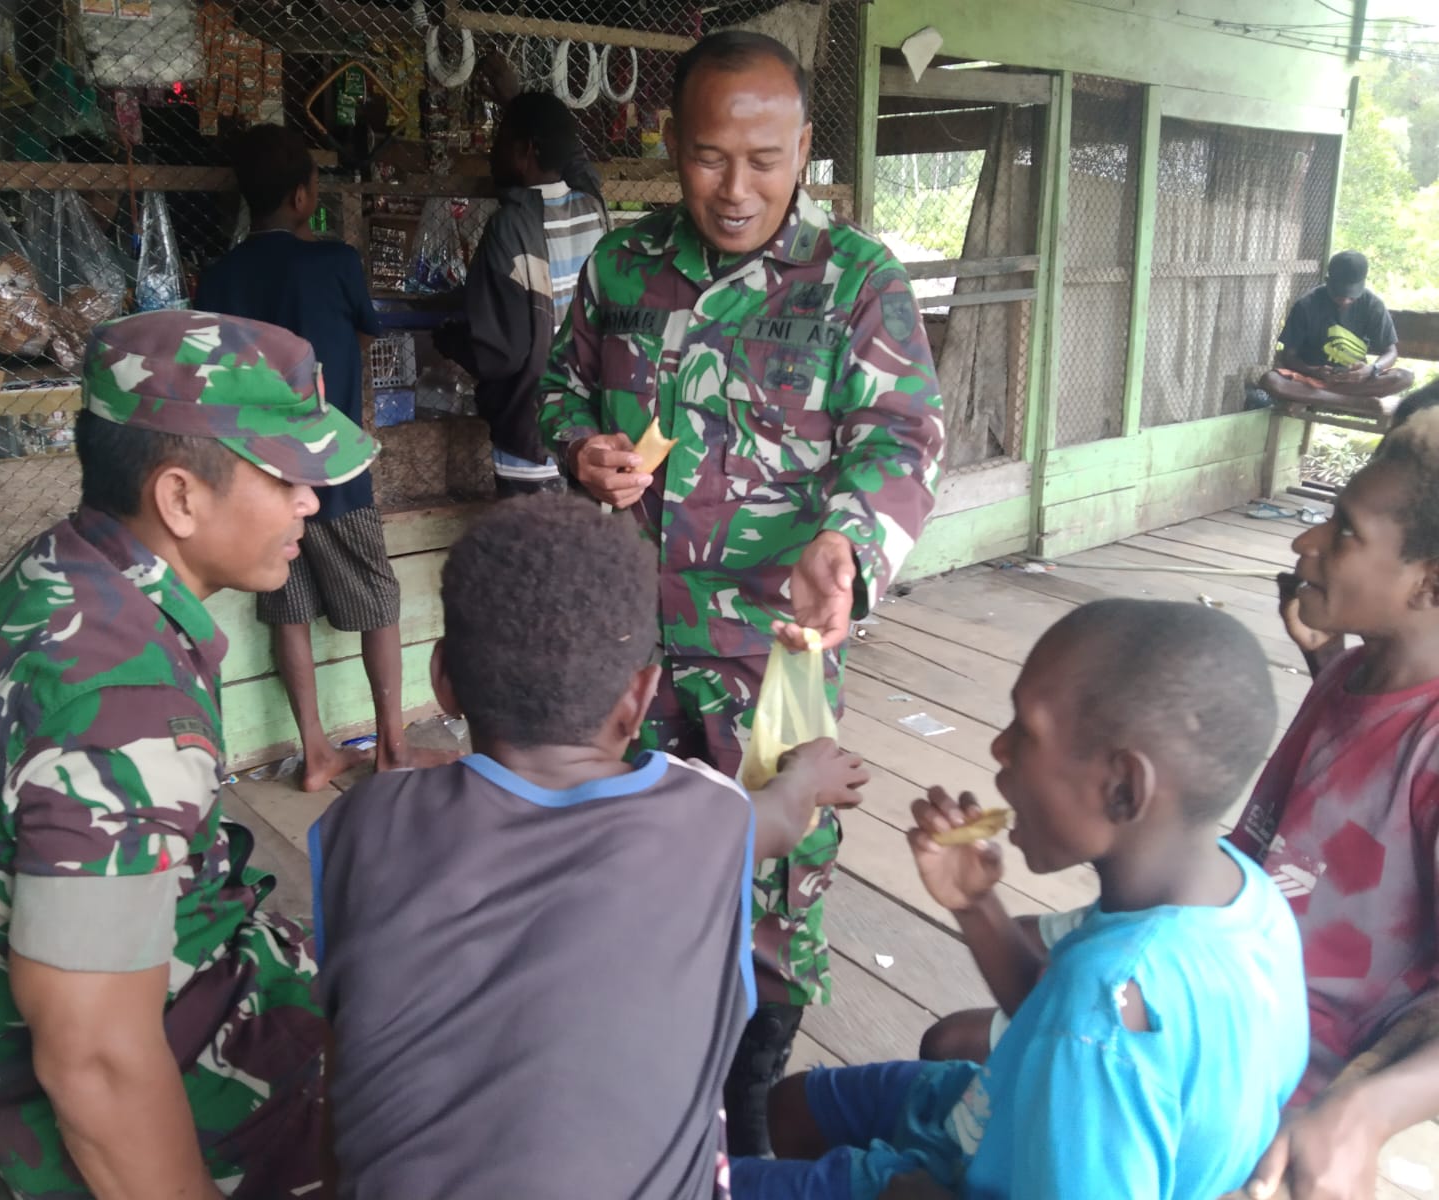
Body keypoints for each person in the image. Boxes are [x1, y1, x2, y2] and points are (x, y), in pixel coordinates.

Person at [538, 30, 946, 1154]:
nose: (736, 187)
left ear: (805, 147)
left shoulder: (856, 281)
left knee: (776, 900)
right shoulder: (621, 266)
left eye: (766, 159)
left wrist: (850, 545)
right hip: (622, 649)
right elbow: (558, 393)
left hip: (774, 656)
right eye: (710, 157)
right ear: (672, 147)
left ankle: (749, 1126)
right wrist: (582, 452)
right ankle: (629, 1103)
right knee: (616, 869)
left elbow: (904, 436)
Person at [0, 311, 373, 1199]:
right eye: (286, 476)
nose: (312, 501)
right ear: (181, 497)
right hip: (63, 1081)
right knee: (425, 1106)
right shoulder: (119, 699)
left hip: (154, 975)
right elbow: (97, 1064)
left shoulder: (70, 568)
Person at [310, 493, 868, 1198]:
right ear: (639, 699)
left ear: (443, 680)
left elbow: (342, 1091)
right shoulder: (710, 820)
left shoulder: (364, 824)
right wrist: (810, 773)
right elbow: (783, 817)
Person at [732, 599, 1309, 1200]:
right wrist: (975, 905)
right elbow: (1045, 1012)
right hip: (1001, 1110)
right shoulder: (1246, 898)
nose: (999, 749)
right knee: (794, 1106)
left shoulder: (1107, 1010)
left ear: (1123, 788)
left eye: (1025, 732)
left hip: (968, 1178)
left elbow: (1077, 1027)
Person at [197, 123, 446, 788]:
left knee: (289, 606)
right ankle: (391, 744)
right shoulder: (334, 261)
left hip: (257, 472)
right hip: (329, 466)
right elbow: (371, 326)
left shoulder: (221, 275)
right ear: (306, 196)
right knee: (379, 598)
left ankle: (315, 754)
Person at [1233, 407, 1439, 1200]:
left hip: (1295, 1083)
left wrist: (1365, 1110)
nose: (1304, 542)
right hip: (1223, 997)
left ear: (1430, 582)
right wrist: (1324, 661)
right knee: (960, 1045)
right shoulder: (1354, 676)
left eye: (1343, 531)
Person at [434, 91, 608, 495]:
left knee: (528, 553)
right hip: (585, 431)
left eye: (500, 140)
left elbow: (501, 352)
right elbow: (577, 161)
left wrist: (451, 340)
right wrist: (511, 88)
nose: (491, 153)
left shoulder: (509, 226)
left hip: (532, 436)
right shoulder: (593, 206)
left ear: (526, 149)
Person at [1258, 250, 1414, 418]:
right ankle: (1351, 402)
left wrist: (1371, 369)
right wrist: (1314, 371)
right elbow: (1289, 356)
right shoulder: (1306, 305)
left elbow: (1391, 352)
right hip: (1311, 381)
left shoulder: (1373, 305)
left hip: (1354, 382)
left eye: (1352, 297)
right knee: (1271, 381)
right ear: (1327, 282)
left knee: (1404, 377)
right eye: (1340, 295)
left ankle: (1333, 398)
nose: (1346, 300)